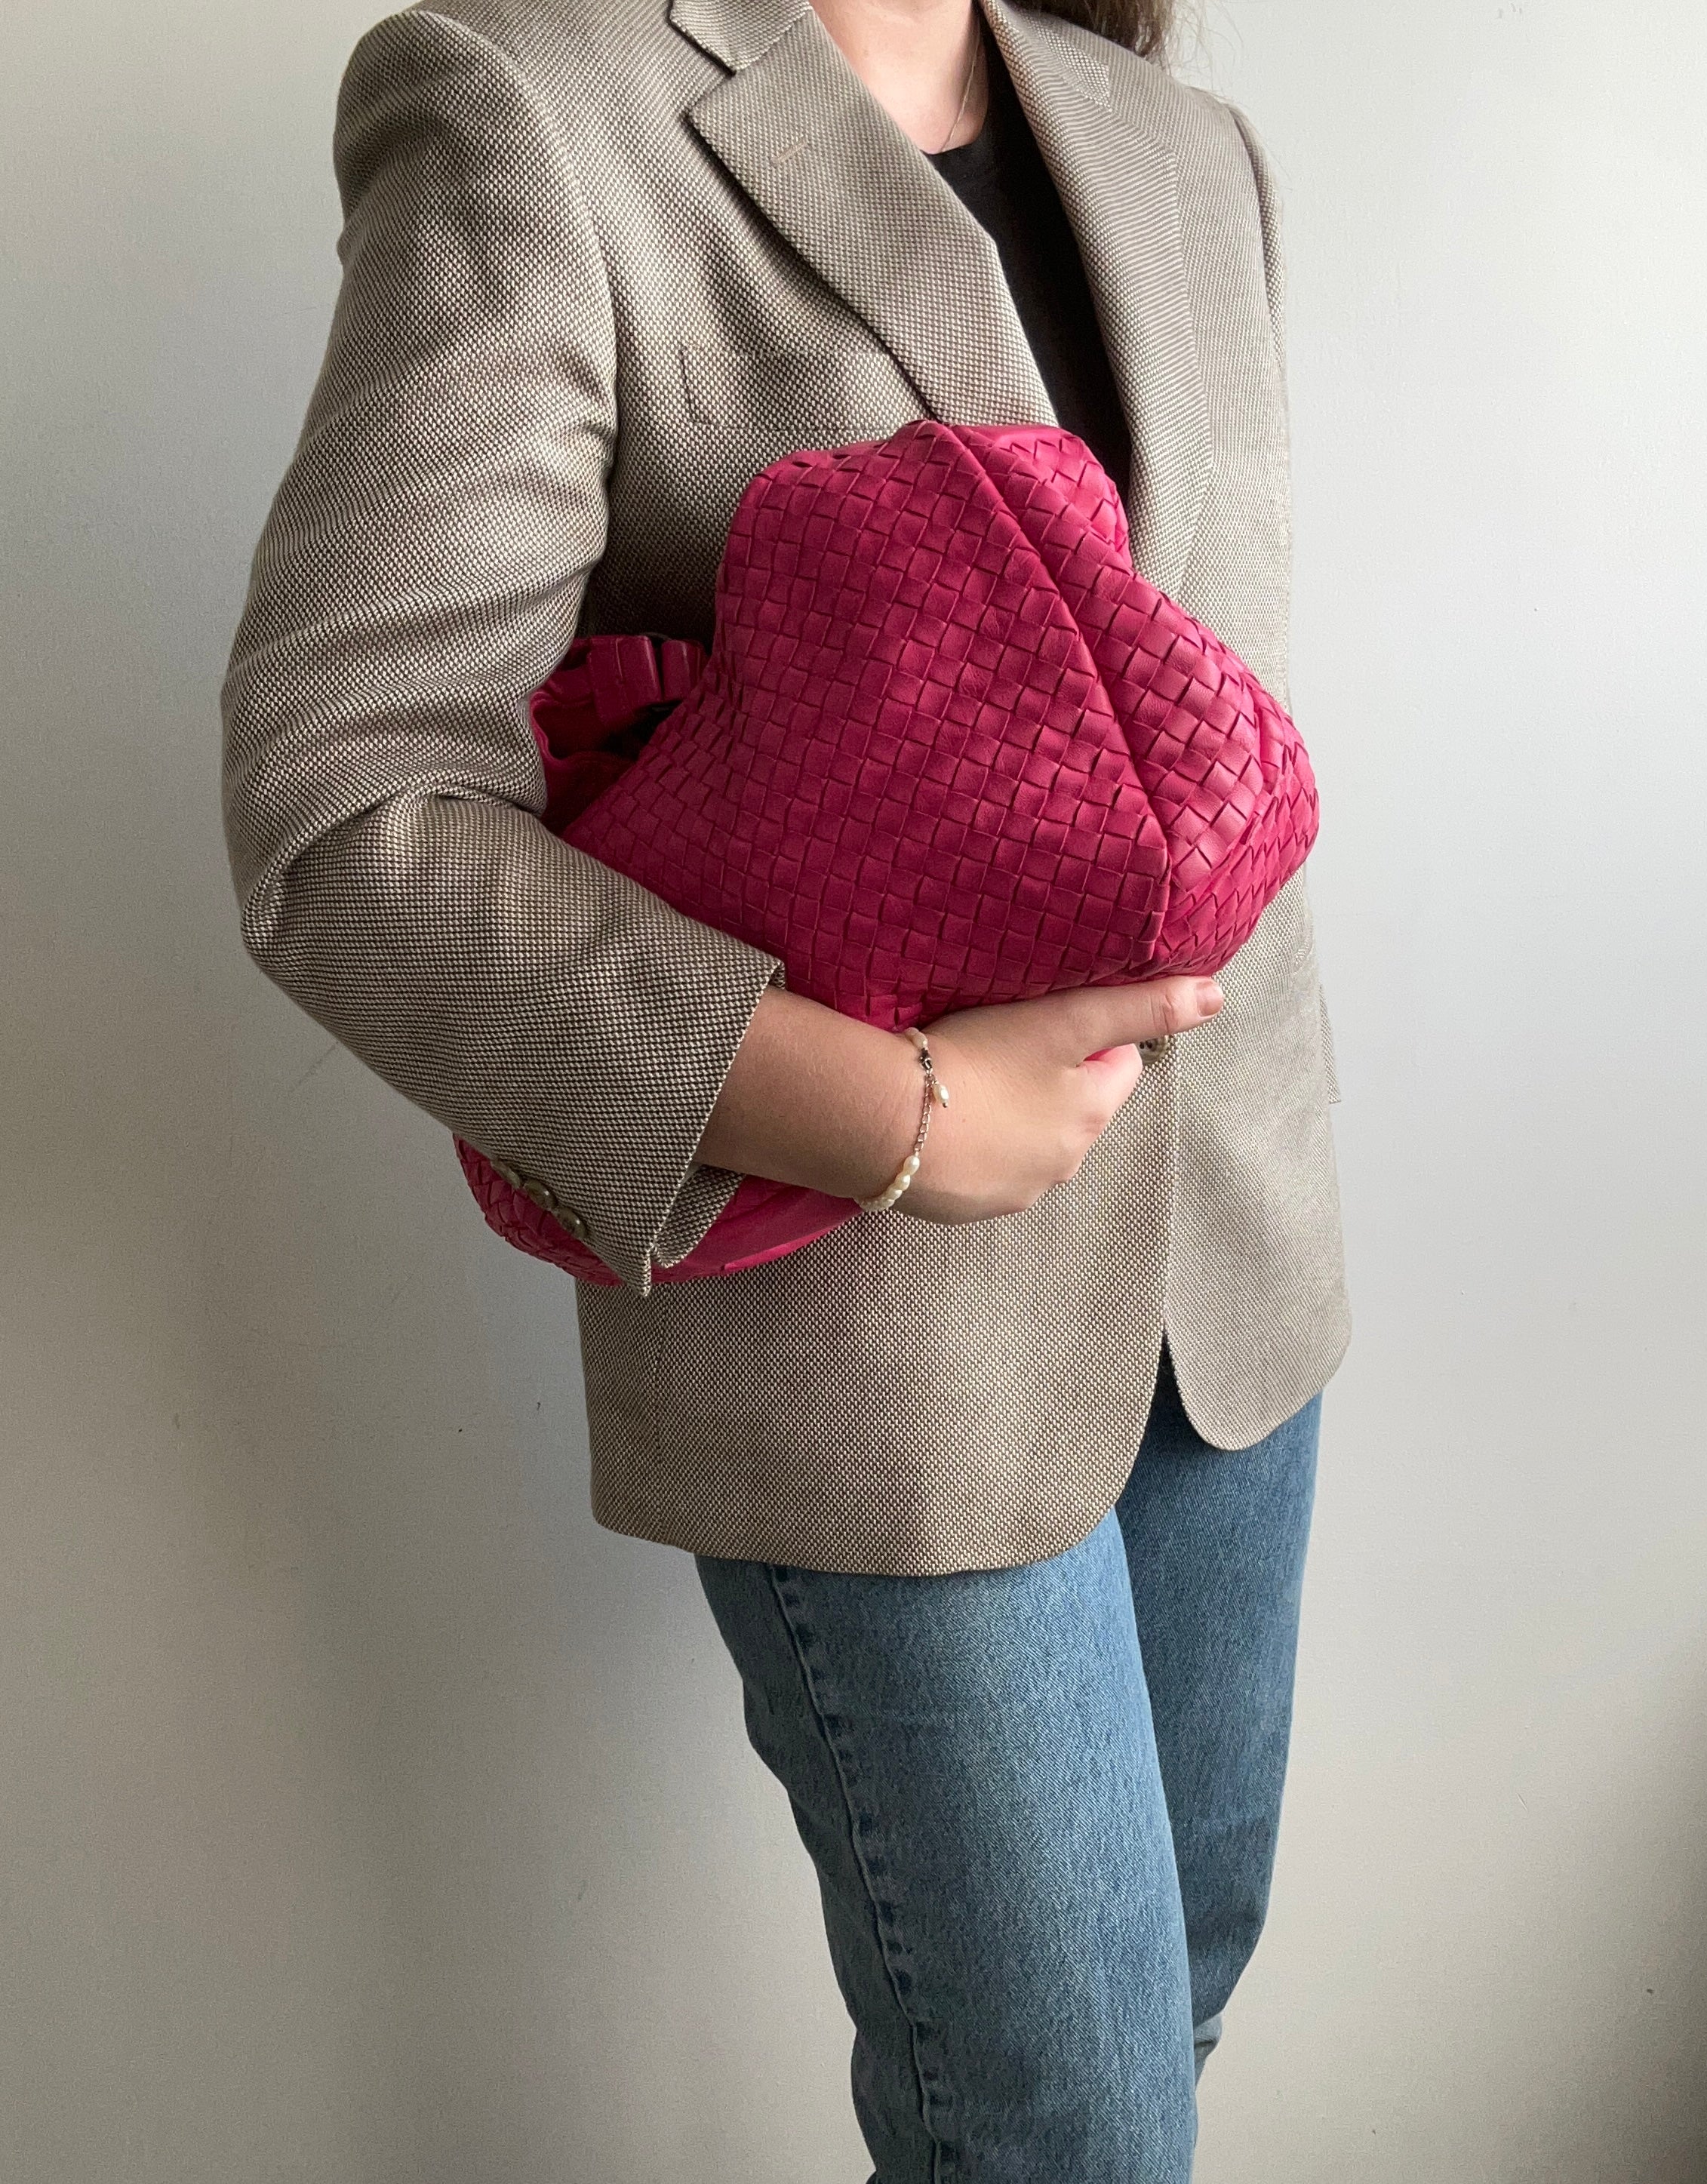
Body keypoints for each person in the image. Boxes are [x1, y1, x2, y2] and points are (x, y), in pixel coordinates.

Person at [220, 0, 1349, 2171]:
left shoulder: (1179, 149)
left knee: (1178, 1997)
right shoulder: (534, 110)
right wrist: (890, 1111)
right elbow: (343, 805)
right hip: (872, 1311)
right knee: (1058, 2125)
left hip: (1231, 1277)